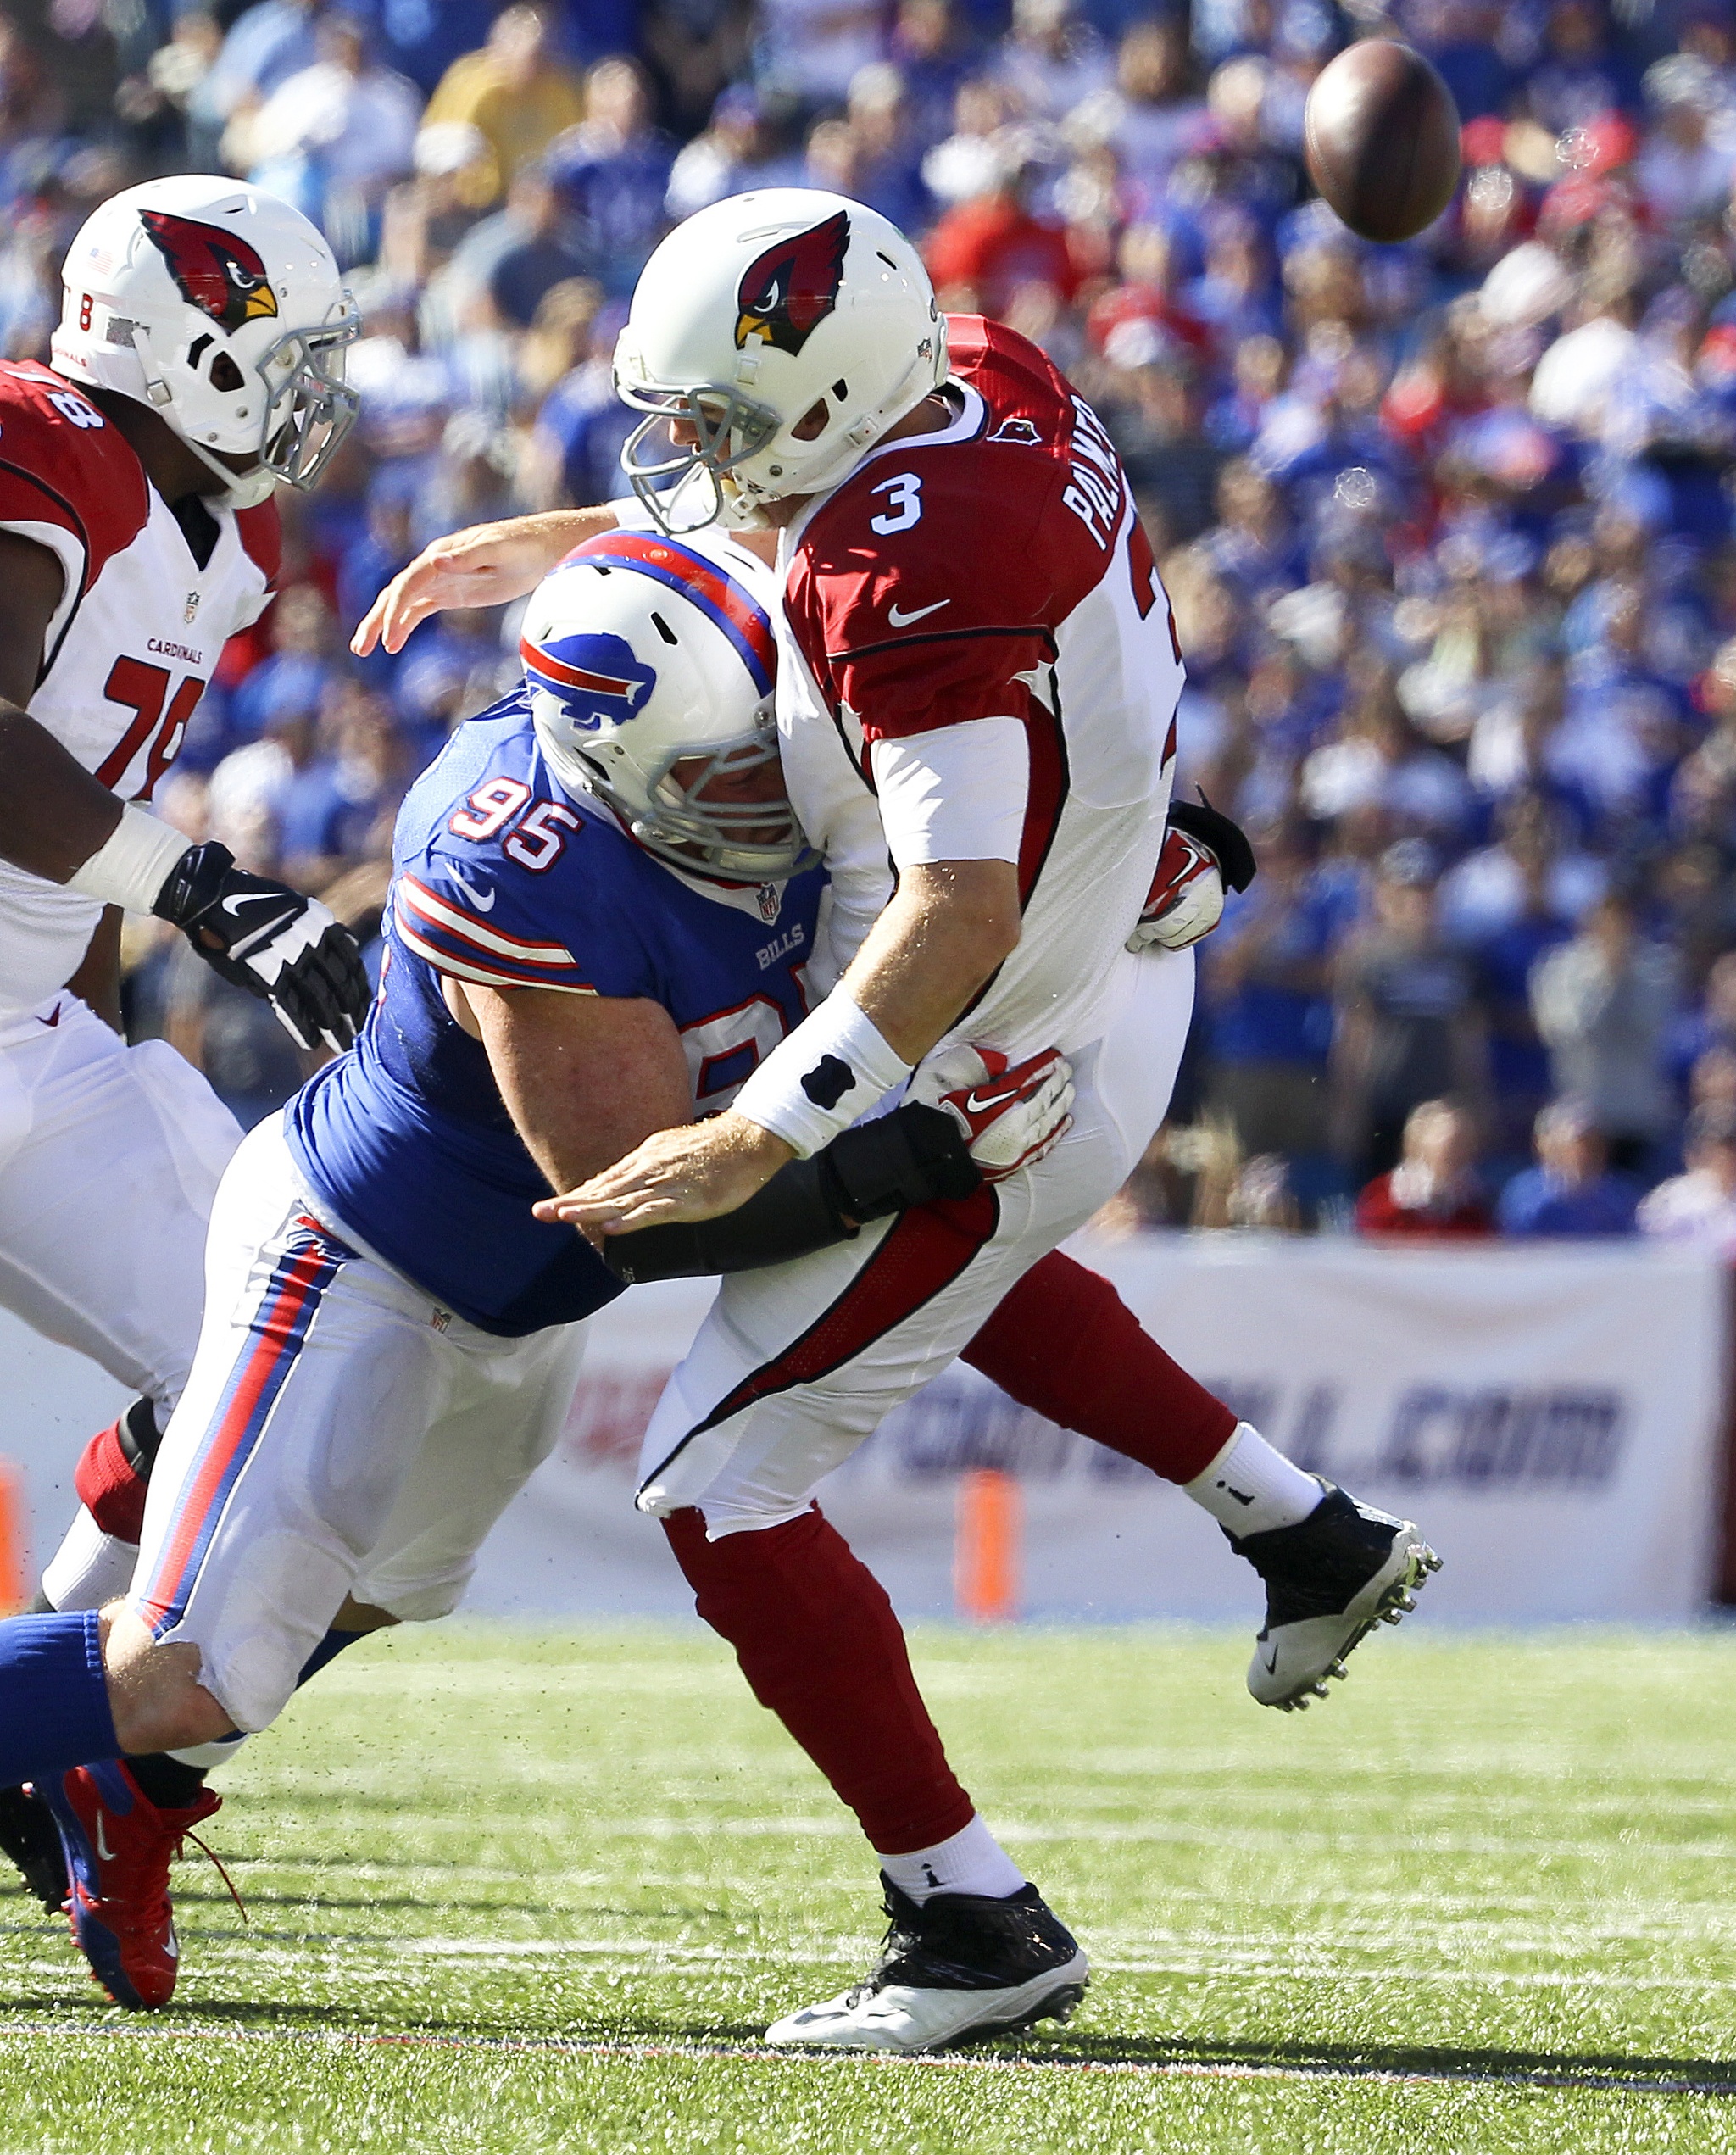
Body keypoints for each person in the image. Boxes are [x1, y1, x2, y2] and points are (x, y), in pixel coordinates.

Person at [361, 187, 1442, 2052]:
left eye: (717, 426)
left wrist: (771, 1128)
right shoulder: (985, 373)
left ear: (835, 389)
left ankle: (969, 1916)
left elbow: (952, 905)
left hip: (988, 1068)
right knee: (932, 1296)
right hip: (1107, 962)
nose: (691, 460)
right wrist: (590, 533)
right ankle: (1303, 1532)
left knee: (718, 1475)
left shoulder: (903, 570)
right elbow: (893, 558)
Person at [13, 531, 1299, 2018]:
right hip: (361, 1260)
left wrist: (1140, 850)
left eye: (775, 756)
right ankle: (118, 1737)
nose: (774, 799)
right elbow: (641, 1212)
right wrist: (910, 1158)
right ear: (620, 772)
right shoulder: (525, 868)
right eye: (725, 780)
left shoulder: (748, 694)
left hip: (518, 1309)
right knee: (188, 1673)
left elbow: (759, 530)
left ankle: (124, 1799)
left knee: (381, 1595)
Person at [0, 171, 373, 1885]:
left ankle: (42, 1729)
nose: (307, 396)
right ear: (190, 347)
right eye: (281, 357)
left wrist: (113, 977)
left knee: (279, 1380)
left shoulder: (216, 544)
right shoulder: (47, 439)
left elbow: (77, 801)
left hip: (24, 1035)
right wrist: (202, 891)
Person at [1495, 1098, 1640, 1238]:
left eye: (1593, 1144)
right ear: (1548, 1146)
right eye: (1575, 1145)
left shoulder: (1621, 1196)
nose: (1584, 1153)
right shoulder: (1524, 1196)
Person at [1354, 1099, 1494, 1240]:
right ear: (1418, 1141)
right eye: (1444, 1139)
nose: (1452, 1149)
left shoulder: (1477, 1204)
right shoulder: (1384, 1197)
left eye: (1461, 1142)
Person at [1636, 1101, 1736, 1256]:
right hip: (1684, 1275)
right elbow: (1649, 1251)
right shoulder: (1672, 1200)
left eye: (1731, 1150)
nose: (1727, 1160)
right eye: (1720, 1151)